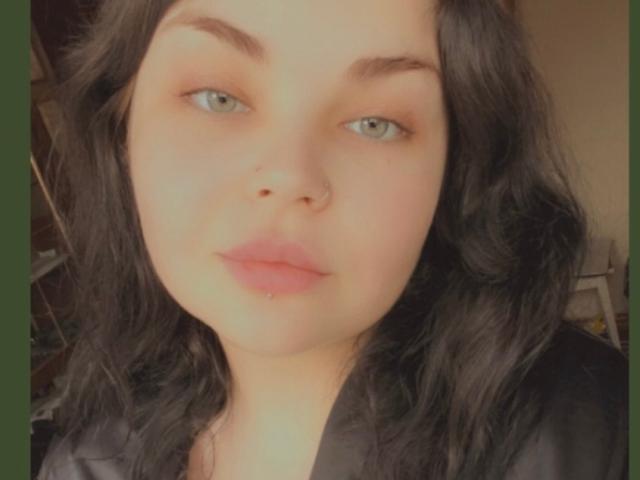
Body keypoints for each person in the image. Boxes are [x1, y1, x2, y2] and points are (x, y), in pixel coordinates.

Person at [38, 0, 628, 479]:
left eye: (376, 124)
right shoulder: (83, 467)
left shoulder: (590, 440)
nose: (290, 176)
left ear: (452, 176)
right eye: (219, 97)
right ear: (122, 128)